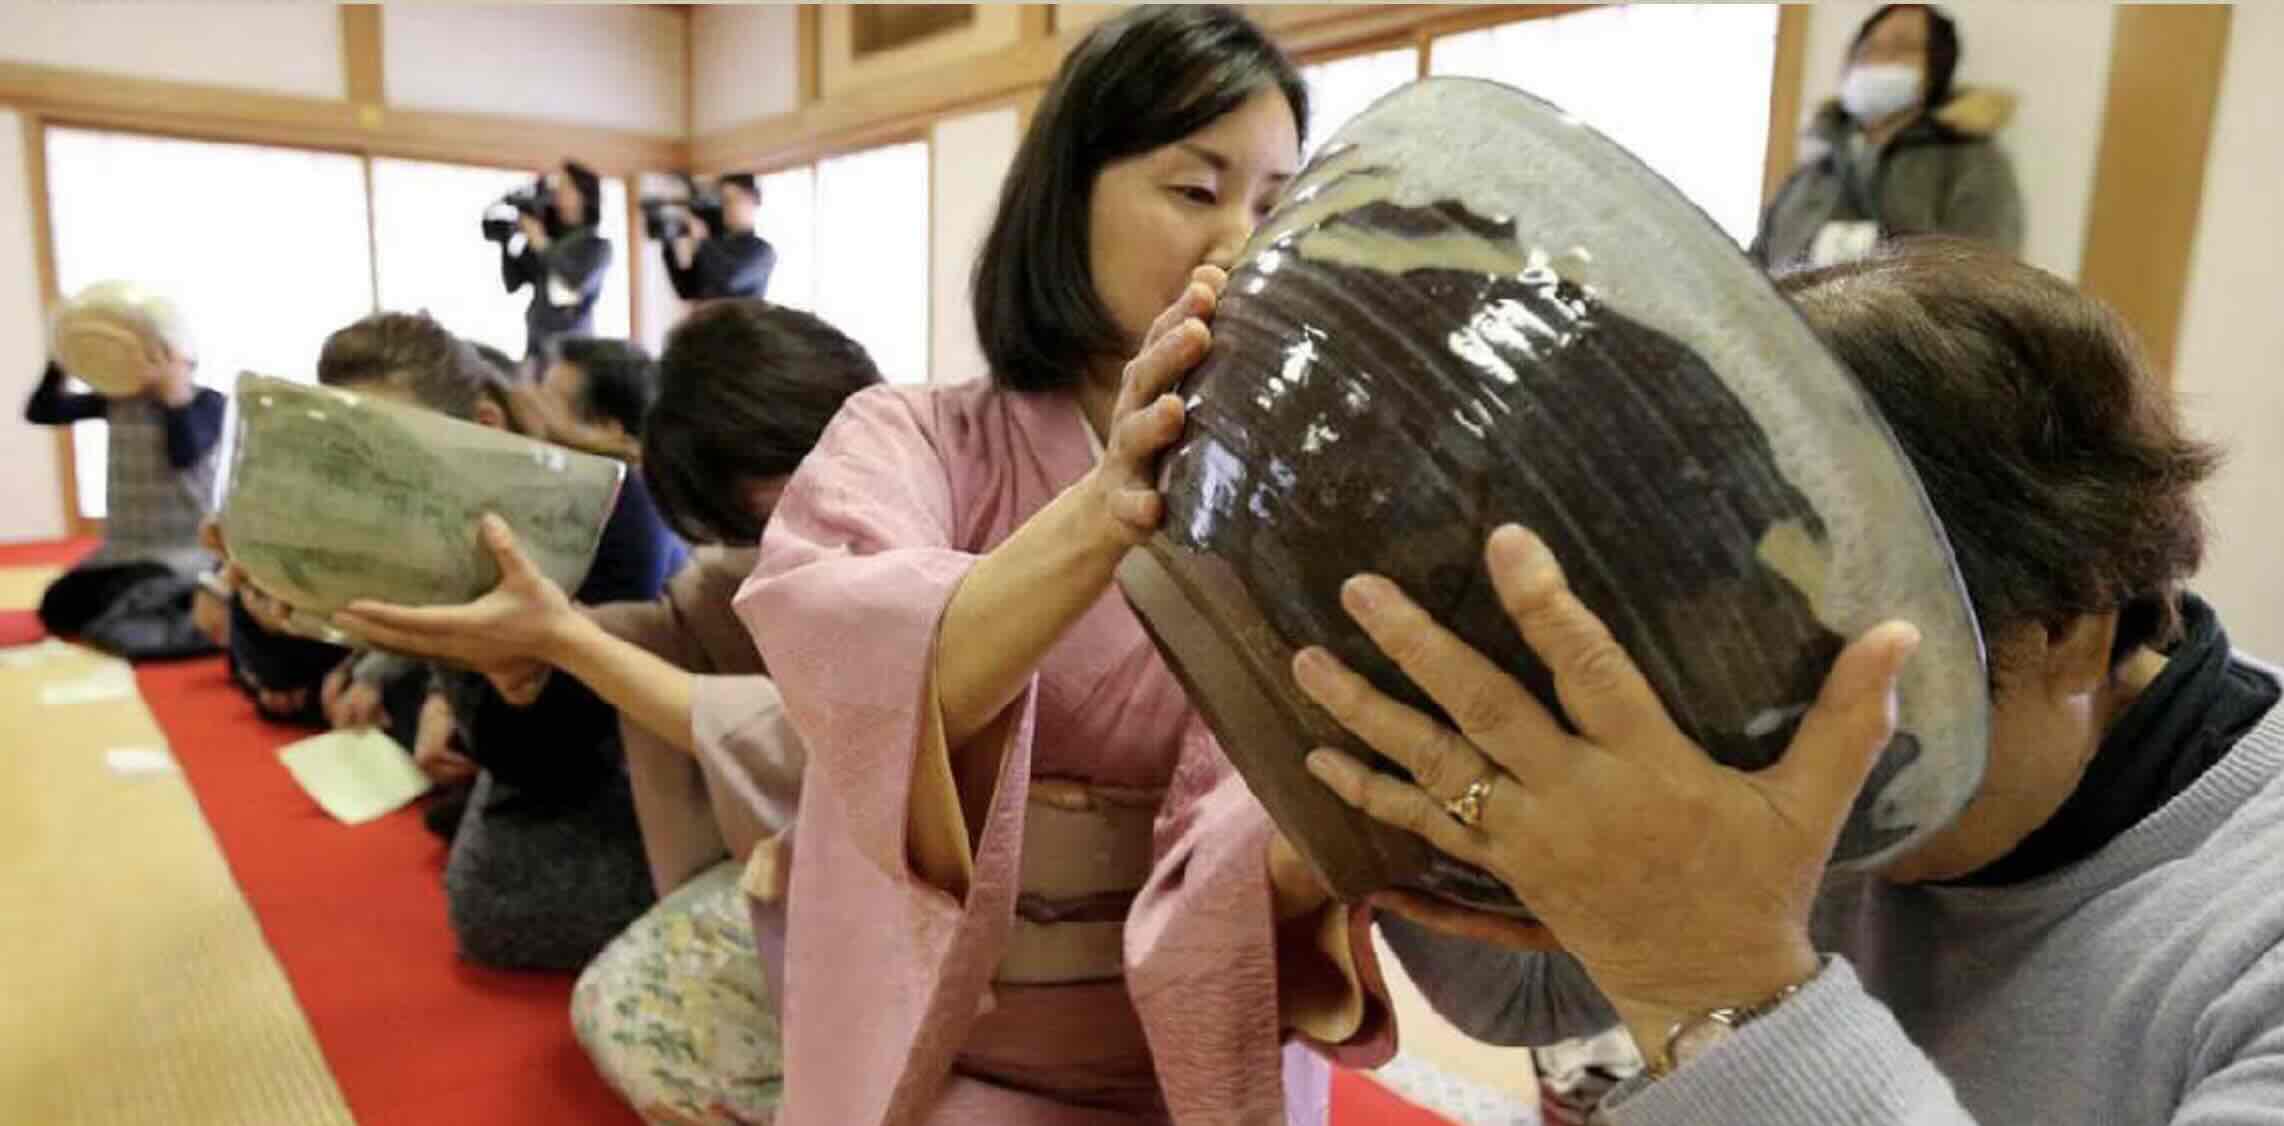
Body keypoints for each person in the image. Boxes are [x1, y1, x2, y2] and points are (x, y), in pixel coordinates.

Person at [1293, 239, 2283, 1124]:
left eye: (1798, 644)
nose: (1739, 720)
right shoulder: (1820, 725)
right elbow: (1522, 989)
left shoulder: (2244, 935)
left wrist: (1719, 978)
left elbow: (1683, 961)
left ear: (2066, 624)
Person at [734, 8, 1404, 1123]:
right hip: (949, 1056)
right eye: (1195, 189)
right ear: (1067, 197)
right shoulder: (908, 437)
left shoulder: (1298, 507)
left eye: (1276, 203)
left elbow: (1277, 832)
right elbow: (849, 663)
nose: (1237, 240)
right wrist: (1106, 510)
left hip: (1185, 1065)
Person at [332, 299, 884, 1125]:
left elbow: (840, 729)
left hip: (921, 867)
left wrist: (562, 646)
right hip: (692, 791)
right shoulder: (726, 558)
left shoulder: (603, 503)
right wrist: (502, 658)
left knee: (594, 971)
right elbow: (678, 626)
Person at [277, 311, 684, 970]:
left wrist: (470, 671)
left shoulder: (611, 505)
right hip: (517, 744)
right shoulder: (419, 503)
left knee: (505, 905)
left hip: (620, 758)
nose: (370, 471)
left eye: (389, 442)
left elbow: (557, 747)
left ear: (486, 425)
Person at [25, 287, 223, 659]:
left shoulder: (208, 403)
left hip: (183, 550)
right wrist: (65, 357)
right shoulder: (118, 402)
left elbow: (185, 453)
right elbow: (43, 411)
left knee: (130, 599)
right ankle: (161, 610)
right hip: (124, 549)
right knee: (58, 606)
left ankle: (191, 609)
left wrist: (174, 396)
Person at [1752, 4, 2024, 268]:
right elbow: (1756, 272)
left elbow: (1986, 285)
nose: (1877, 60)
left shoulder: (1976, 165)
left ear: (1936, 70)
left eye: (1900, 48)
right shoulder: (1812, 173)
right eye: (1867, 49)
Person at [502, 160, 613, 362]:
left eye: (565, 186)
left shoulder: (597, 246)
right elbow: (513, 283)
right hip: (535, 351)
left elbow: (575, 280)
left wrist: (541, 243)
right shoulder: (549, 240)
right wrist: (506, 242)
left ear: (583, 195)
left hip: (573, 355)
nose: (556, 192)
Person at [663, 173, 777, 302]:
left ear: (752, 199)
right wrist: (667, 242)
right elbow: (687, 290)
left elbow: (730, 279)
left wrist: (702, 240)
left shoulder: (762, 252)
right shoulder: (715, 244)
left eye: (731, 200)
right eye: (723, 201)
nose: (725, 207)